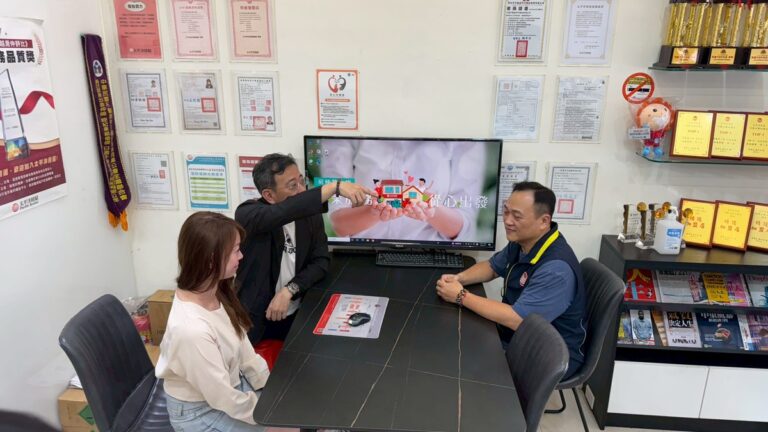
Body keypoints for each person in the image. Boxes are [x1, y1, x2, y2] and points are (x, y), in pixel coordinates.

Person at [436, 182, 586, 379]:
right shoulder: (524, 241)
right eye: (506, 211)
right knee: (454, 340)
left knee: (458, 361)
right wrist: (459, 278)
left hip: (549, 356)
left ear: (544, 221)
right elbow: (492, 266)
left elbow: (518, 319)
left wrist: (460, 296)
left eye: (517, 216)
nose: (507, 221)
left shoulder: (556, 270)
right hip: (517, 335)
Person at [235, 153, 376, 344]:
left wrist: (289, 290)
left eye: (302, 181)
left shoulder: (310, 216)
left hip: (296, 313)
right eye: (293, 186)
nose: (302, 190)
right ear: (269, 195)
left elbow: (320, 261)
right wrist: (332, 188)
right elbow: (282, 212)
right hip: (253, 319)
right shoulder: (249, 214)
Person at [155, 211, 270, 431]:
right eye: (236, 250)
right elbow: (223, 397)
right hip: (200, 411)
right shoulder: (191, 330)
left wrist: (266, 384)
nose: (241, 256)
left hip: (228, 388)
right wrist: (270, 412)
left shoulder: (213, 290)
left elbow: (242, 345)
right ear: (211, 260)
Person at [320, 139, 484, 241]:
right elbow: (338, 223)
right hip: (363, 253)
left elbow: (464, 226)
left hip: (432, 253)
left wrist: (432, 211)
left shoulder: (463, 137)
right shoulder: (347, 133)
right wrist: (373, 212)